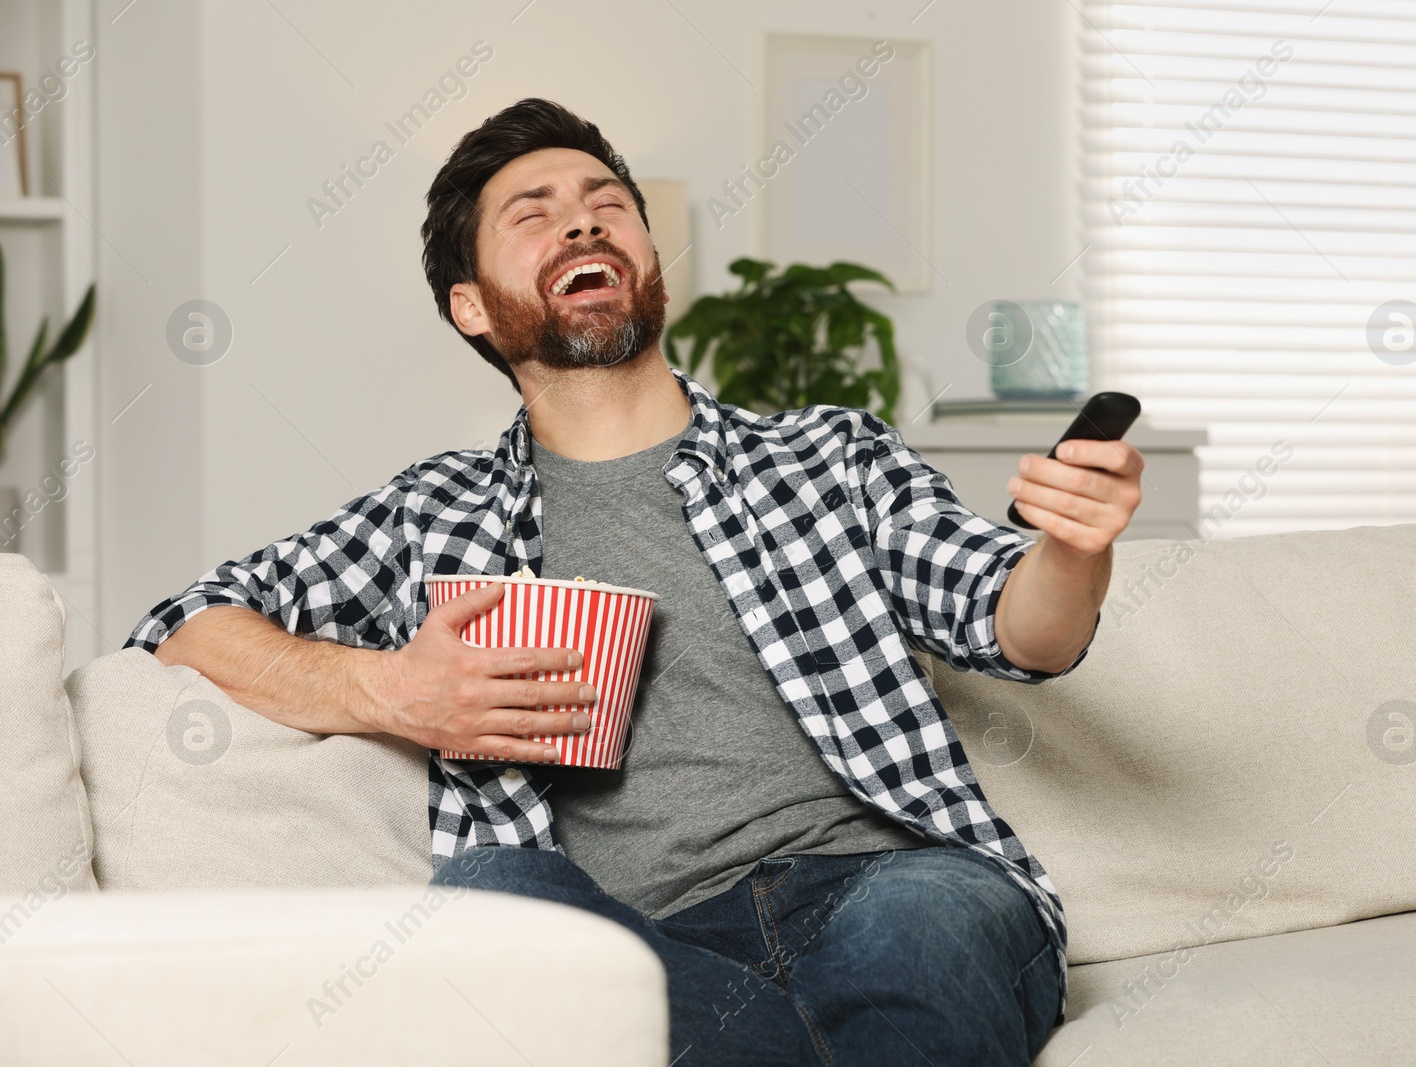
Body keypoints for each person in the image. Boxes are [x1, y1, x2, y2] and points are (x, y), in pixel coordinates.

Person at [127, 98, 1142, 1066]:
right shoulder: (429, 517)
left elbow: (1019, 627)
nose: (581, 223)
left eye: (607, 205)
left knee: (927, 918)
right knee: (489, 889)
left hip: (883, 882)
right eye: (536, 215)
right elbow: (182, 623)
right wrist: (390, 689)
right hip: (641, 938)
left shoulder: (828, 454)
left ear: (649, 262)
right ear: (471, 306)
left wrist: (1070, 550)